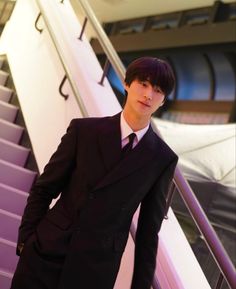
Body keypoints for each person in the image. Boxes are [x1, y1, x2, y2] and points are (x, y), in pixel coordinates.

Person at [10, 57, 178, 289]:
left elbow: (149, 233)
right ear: (127, 84)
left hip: (95, 270)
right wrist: (26, 240)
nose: (149, 94)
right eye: (144, 84)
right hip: (46, 252)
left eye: (158, 90)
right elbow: (45, 188)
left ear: (163, 100)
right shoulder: (84, 131)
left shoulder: (162, 158)